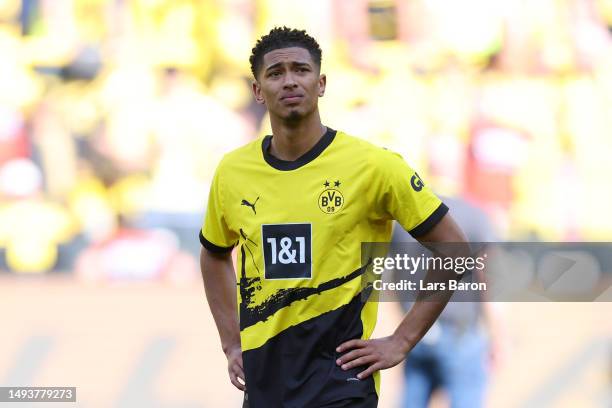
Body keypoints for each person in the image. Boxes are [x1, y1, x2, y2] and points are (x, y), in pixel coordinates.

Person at [199, 27, 469, 408]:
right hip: (264, 387)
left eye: (301, 70)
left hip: (341, 385)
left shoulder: (375, 167)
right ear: (258, 91)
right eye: (275, 73)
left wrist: (402, 340)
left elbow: (455, 249)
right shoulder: (232, 172)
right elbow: (213, 253)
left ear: (321, 83)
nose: (290, 80)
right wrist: (231, 340)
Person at [391, 196, 502, 408]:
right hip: (459, 335)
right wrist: (498, 337)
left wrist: (405, 327)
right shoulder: (475, 215)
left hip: (414, 334)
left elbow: (392, 277)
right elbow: (489, 281)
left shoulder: (401, 217)